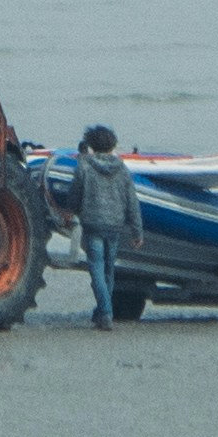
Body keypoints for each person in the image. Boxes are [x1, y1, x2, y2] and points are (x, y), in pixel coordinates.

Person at [72, 125, 137, 329]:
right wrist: (137, 230)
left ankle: (106, 312)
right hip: (115, 225)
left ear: (90, 145)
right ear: (113, 145)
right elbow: (132, 201)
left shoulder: (84, 166)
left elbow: (75, 194)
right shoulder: (122, 169)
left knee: (97, 270)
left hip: (93, 224)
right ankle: (102, 312)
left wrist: (71, 210)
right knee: (109, 270)